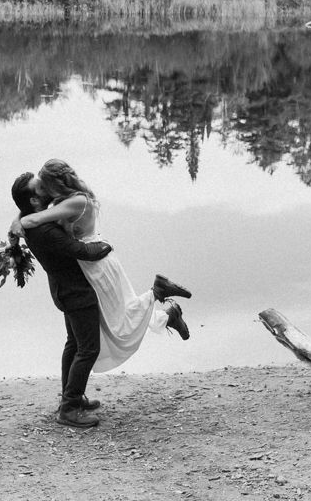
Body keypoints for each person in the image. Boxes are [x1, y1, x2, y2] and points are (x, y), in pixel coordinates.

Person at [10, 159, 191, 374]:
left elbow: (34, 220)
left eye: (43, 184)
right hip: (89, 265)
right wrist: (18, 217)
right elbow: (35, 215)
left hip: (97, 262)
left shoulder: (74, 201)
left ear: (54, 185)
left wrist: (19, 221)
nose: (42, 189)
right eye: (39, 187)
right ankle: (167, 311)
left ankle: (161, 299)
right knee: (113, 320)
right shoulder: (60, 200)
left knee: (117, 323)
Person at [11, 172, 112, 428]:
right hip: (77, 293)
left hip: (63, 291)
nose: (45, 187)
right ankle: (69, 408)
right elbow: (82, 251)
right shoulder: (44, 230)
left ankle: (72, 397)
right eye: (39, 187)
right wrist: (106, 246)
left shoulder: (31, 221)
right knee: (88, 349)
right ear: (34, 201)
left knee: (73, 344)